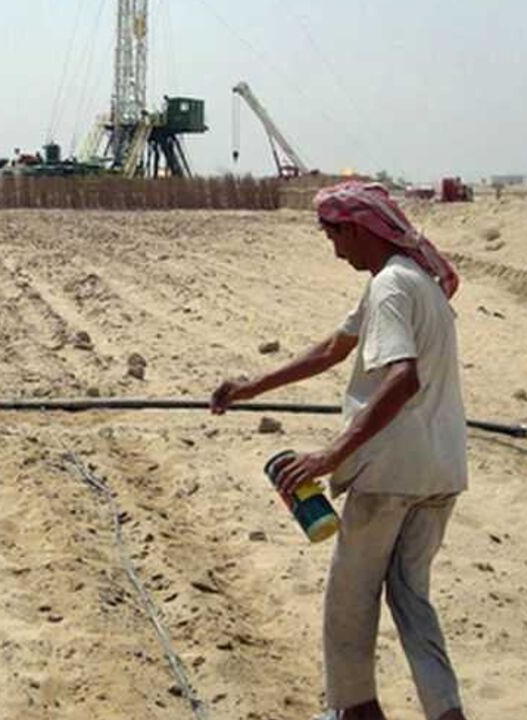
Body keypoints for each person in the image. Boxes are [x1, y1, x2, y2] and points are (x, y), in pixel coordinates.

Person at [210, 181, 468, 720]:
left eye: (332, 235)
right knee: (411, 599)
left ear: (355, 228)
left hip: (389, 476)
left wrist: (328, 456)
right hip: (441, 471)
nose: (333, 248)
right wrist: (250, 387)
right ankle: (446, 712)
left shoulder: (391, 288)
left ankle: (355, 710)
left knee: (348, 603)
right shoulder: (410, 280)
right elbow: (334, 348)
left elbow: (403, 380)